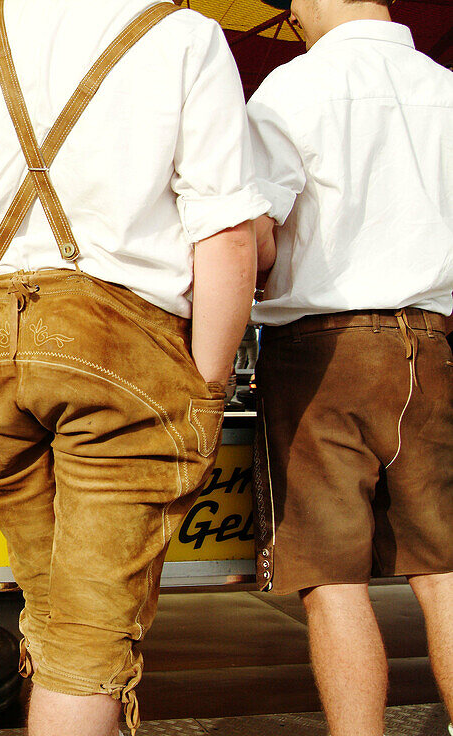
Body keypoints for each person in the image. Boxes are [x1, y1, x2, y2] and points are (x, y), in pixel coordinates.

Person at [0, 2, 265, 733]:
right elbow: (227, 236)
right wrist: (209, 388)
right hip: (121, 346)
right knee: (88, 640)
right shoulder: (183, 36)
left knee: (56, 612)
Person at [245, 0, 453, 733]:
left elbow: (257, 238)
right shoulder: (445, 89)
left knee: (331, 581)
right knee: (446, 571)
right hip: (433, 341)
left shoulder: (294, 89)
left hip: (320, 351)